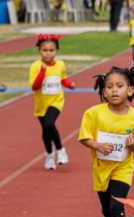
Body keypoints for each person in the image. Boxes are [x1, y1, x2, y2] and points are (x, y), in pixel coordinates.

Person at [78, 66, 134, 217]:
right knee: (107, 211)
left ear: (130, 90)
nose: (114, 90)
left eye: (120, 86)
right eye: (109, 86)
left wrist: (132, 145)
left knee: (116, 206)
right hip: (101, 169)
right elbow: (84, 137)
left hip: (123, 168)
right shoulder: (93, 113)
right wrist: (96, 145)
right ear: (103, 92)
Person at [29, 34, 75, 171]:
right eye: (45, 50)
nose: (48, 53)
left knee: (50, 123)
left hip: (56, 101)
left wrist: (69, 84)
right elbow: (34, 86)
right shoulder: (35, 66)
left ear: (56, 51)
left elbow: (62, 79)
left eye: (51, 50)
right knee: (45, 130)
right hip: (41, 104)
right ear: (39, 51)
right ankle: (49, 155)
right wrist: (42, 73)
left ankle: (61, 150)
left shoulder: (60, 64)